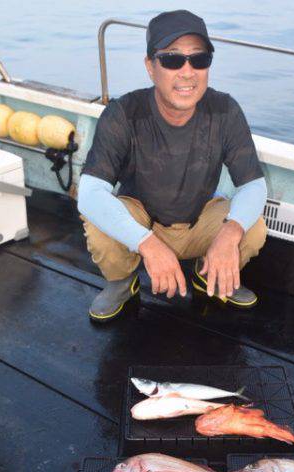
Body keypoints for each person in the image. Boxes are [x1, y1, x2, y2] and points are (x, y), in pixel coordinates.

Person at [78, 9, 268, 322]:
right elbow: (90, 192)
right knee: (98, 219)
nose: (187, 71)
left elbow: (253, 184)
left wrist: (230, 233)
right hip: (143, 222)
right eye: (171, 59)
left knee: (252, 227)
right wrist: (147, 244)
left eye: (199, 59)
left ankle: (211, 275)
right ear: (150, 67)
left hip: (199, 220)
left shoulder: (225, 110)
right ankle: (121, 281)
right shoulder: (123, 113)